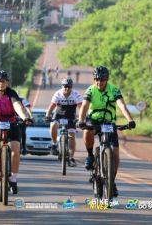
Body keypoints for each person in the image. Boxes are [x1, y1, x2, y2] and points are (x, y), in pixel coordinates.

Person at [77, 66, 136, 197]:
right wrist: (81, 120)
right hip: (94, 120)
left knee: (115, 153)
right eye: (97, 79)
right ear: (94, 79)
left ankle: (112, 181)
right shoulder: (90, 90)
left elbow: (121, 105)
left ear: (107, 79)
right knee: (87, 130)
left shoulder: (114, 90)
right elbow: (85, 106)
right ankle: (90, 155)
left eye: (102, 79)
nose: (99, 82)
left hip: (108, 123)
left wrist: (130, 120)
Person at [45, 77, 83, 167]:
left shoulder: (76, 94)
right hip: (59, 114)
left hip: (71, 116)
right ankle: (54, 144)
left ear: (71, 87)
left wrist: (82, 118)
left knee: (72, 136)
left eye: (69, 87)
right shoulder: (57, 94)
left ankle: (71, 158)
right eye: (65, 86)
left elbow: (81, 107)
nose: (67, 88)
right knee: (53, 125)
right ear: (62, 86)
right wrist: (47, 116)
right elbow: (51, 106)